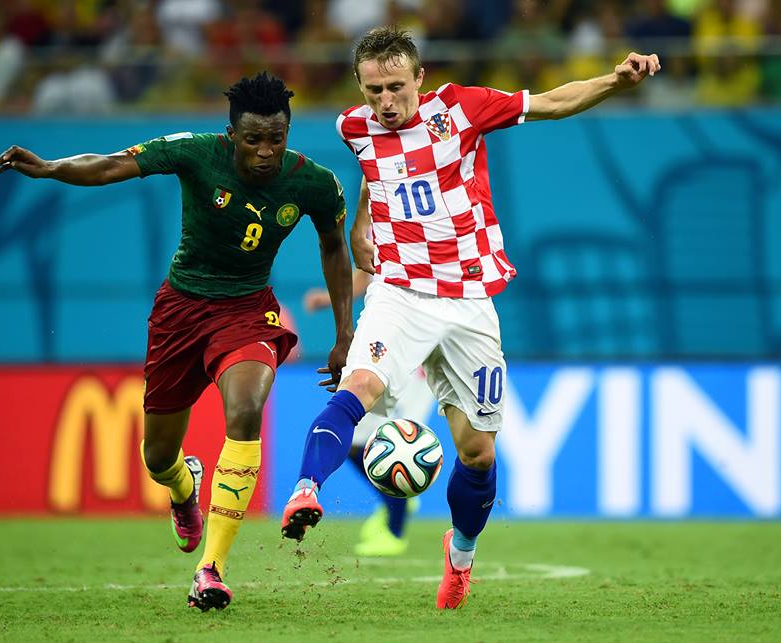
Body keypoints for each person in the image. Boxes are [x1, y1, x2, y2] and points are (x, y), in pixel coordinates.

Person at [280, 26, 659, 609]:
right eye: (374, 90)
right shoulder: (352, 127)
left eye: (397, 87)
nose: (386, 101)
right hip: (399, 293)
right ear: (359, 85)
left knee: (478, 452)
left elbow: (553, 102)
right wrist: (361, 229)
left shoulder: (461, 109)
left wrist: (615, 80)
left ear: (420, 78)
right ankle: (305, 491)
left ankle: (460, 556)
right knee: (358, 387)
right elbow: (378, 175)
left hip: (468, 301)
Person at [0, 72, 353, 611]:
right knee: (158, 456)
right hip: (180, 313)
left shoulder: (313, 183)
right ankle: (184, 489)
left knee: (246, 411)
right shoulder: (195, 152)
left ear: (288, 134)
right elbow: (110, 165)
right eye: (253, 139)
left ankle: (212, 569)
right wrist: (48, 168)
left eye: (276, 139)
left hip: (248, 312)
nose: (264, 151)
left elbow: (334, 248)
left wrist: (345, 332)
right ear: (231, 136)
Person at [303, 266, 431, 557]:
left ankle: (394, 532)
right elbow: (363, 275)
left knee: (399, 445)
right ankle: (395, 494)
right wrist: (328, 298)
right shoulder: (376, 238)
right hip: (382, 355)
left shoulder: (424, 243)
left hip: (414, 364)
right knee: (354, 442)